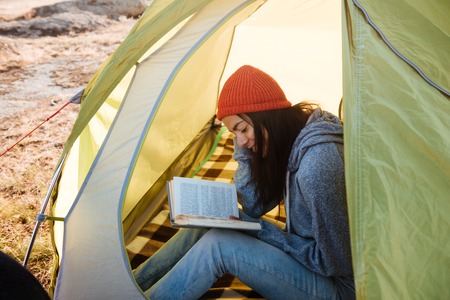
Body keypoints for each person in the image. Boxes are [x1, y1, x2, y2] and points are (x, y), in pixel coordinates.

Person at [133, 65, 354, 299]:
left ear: (267, 115)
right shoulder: (291, 138)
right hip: (311, 255)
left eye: (243, 129)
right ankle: (134, 283)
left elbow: (336, 262)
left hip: (339, 286)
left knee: (219, 246)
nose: (240, 141)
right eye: (233, 134)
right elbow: (253, 205)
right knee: (212, 221)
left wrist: (262, 231)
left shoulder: (317, 166)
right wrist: (244, 151)